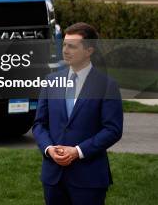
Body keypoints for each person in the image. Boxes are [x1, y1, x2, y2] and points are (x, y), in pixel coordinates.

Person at [33, 22, 123, 205]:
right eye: (64, 45)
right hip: (53, 177)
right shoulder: (51, 81)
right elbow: (39, 124)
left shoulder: (107, 85)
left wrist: (77, 151)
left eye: (72, 46)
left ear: (89, 50)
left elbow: (112, 129)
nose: (65, 50)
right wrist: (49, 150)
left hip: (89, 178)